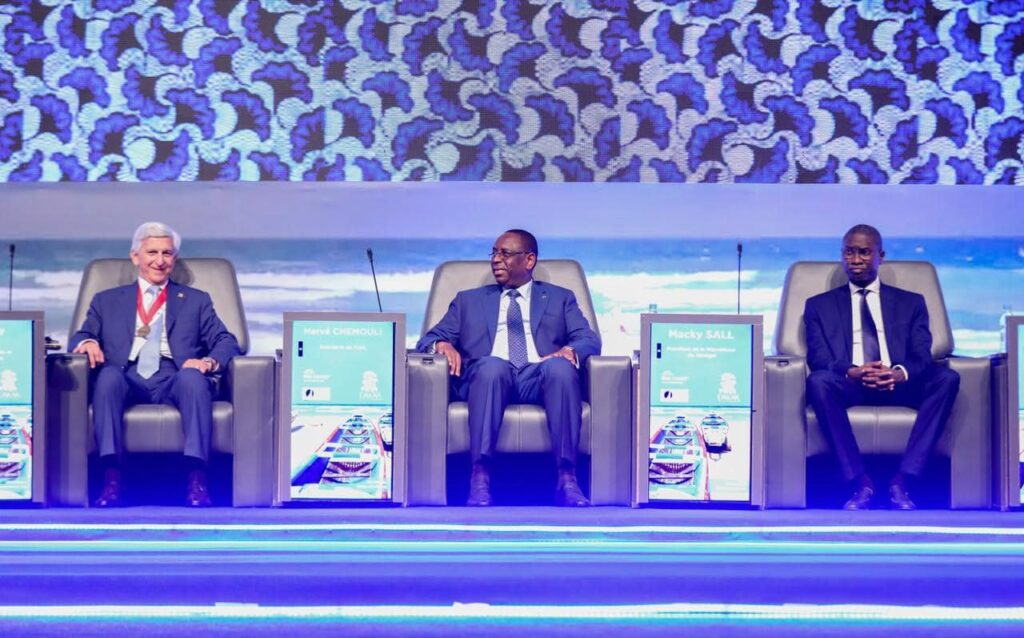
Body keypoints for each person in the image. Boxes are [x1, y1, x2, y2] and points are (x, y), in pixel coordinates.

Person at [416, 229, 601, 507]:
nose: (495, 260)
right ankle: (480, 478)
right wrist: (441, 344)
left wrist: (569, 352)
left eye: (505, 254)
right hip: (487, 379)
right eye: (494, 253)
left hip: (538, 376)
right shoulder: (468, 301)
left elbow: (588, 340)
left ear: (529, 260)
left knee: (560, 369)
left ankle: (567, 479)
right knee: (493, 367)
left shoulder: (560, 298)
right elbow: (427, 340)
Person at [69, 222, 241, 507]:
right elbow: (81, 335)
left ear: (174, 258)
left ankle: (196, 479)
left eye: (167, 253)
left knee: (193, 378)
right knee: (107, 378)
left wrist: (208, 362)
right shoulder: (106, 300)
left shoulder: (196, 301)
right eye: (152, 252)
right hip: (125, 375)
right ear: (135, 256)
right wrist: (87, 342)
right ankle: (111, 478)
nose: (159, 261)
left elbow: (226, 340)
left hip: (174, 376)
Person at [803, 224, 960, 510]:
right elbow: (819, 358)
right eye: (849, 252)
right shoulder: (818, 305)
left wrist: (898, 373)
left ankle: (903, 480)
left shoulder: (911, 303)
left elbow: (922, 355)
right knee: (818, 382)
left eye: (864, 253)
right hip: (851, 383)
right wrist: (853, 371)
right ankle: (859, 482)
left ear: (881, 256)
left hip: (898, 384)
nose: (856, 260)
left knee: (947, 378)